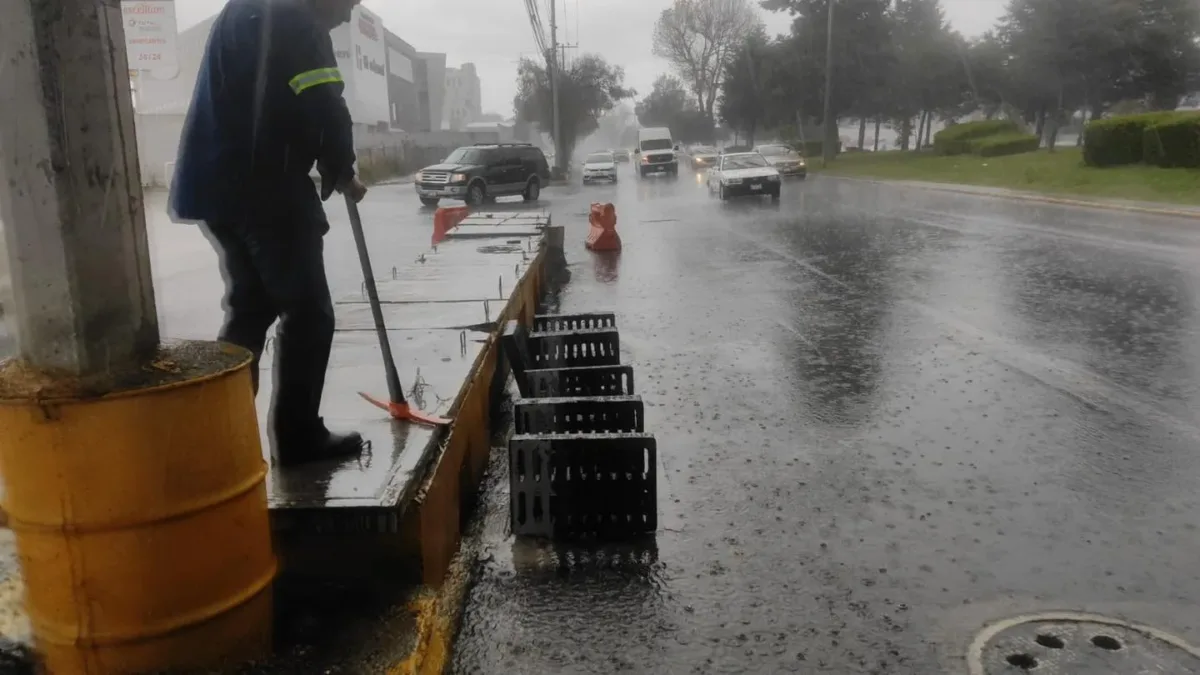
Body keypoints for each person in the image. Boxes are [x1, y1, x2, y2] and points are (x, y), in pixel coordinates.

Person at [169, 0, 366, 466]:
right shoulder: (298, 19)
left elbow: (282, 98)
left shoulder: (250, 9)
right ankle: (298, 439)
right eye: (351, 3)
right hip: (263, 186)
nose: (350, 16)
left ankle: (222, 441)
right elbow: (323, 104)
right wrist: (343, 169)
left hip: (214, 186)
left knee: (251, 308)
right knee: (309, 313)